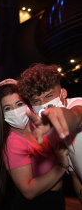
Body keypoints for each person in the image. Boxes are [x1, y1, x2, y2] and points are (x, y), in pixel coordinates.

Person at [0, 82, 68, 210]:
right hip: (39, 204)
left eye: (19, 104)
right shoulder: (13, 142)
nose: (15, 111)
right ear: (2, 114)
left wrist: (20, 85)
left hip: (57, 197)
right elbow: (28, 191)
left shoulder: (38, 123)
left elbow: (43, 98)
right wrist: (62, 165)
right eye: (8, 108)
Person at [18, 63, 82, 204]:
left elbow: (76, 116)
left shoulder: (77, 105)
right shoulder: (51, 133)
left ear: (63, 93)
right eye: (36, 101)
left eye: (48, 96)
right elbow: (76, 176)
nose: (44, 104)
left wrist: (67, 118)